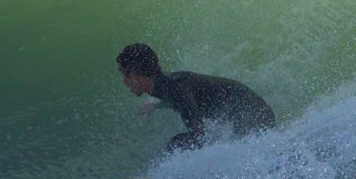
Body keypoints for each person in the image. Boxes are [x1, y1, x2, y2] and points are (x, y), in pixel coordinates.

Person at [116, 43, 275, 153]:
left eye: (125, 75)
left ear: (134, 74)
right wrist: (156, 106)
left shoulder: (174, 88)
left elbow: (197, 131)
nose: (124, 81)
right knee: (207, 140)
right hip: (252, 115)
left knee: (177, 144)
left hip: (255, 117)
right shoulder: (167, 84)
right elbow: (180, 99)